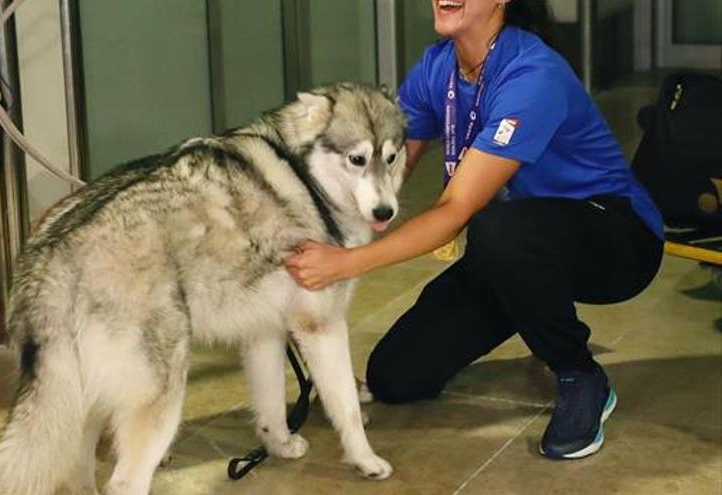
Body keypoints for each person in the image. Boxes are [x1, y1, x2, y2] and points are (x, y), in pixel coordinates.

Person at [284, 0, 663, 460]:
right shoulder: (437, 67)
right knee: (397, 377)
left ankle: (579, 375)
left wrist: (343, 264)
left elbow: (454, 211)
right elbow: (385, 179)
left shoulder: (532, 74)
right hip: (513, 250)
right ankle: (536, 308)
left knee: (495, 229)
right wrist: (310, 236)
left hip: (616, 236)